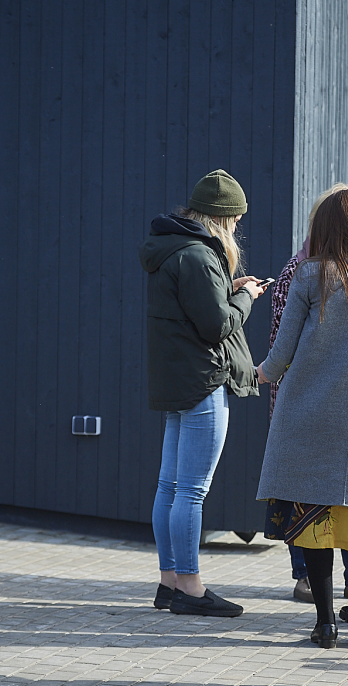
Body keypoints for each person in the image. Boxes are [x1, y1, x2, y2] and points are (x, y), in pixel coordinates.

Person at [256, 186, 348, 650]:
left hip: (309, 413)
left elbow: (281, 356)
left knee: (312, 518)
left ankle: (324, 625)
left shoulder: (309, 275)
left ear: (323, 226)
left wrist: (252, 373)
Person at [140, 169, 267, 618]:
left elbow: (194, 309)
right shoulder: (198, 254)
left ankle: (169, 582)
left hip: (178, 380)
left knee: (169, 486)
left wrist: (226, 290)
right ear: (220, 217)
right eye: (235, 220)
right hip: (203, 381)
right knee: (191, 491)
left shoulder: (172, 248)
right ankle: (191, 588)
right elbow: (215, 326)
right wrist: (247, 297)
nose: (237, 228)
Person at [268, 186, 348, 605]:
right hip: (319, 400)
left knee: (326, 490)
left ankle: (346, 580)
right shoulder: (301, 271)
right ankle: (305, 574)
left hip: (330, 402)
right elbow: (282, 343)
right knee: (315, 489)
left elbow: (279, 348)